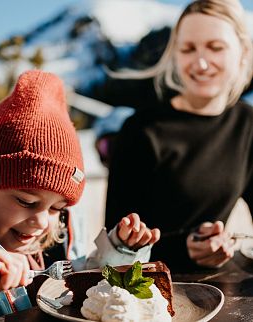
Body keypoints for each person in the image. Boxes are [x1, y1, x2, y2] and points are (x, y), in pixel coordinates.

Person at [0, 70, 160, 321]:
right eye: (26, 201)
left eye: (56, 209)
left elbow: (82, 275)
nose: (42, 222)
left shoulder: (57, 242)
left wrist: (120, 252)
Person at [105, 0, 253, 272]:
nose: (201, 62)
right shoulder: (141, 130)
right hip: (144, 290)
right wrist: (184, 247)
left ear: (243, 52)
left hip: (219, 288)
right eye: (188, 49)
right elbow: (114, 246)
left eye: (215, 47)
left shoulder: (248, 124)